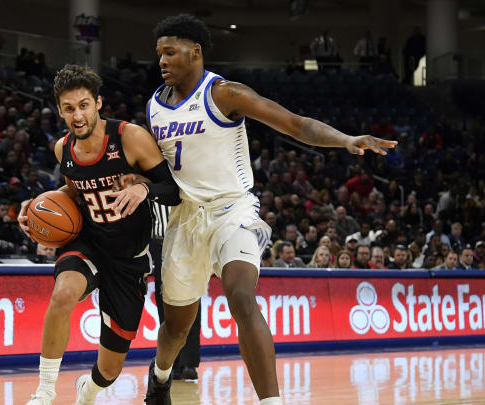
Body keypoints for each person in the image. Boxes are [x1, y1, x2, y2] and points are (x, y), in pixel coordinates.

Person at [145, 14, 396, 404]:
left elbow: (297, 126)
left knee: (241, 296)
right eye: (159, 53)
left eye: (170, 52)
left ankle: (271, 401)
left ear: (195, 52)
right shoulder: (154, 107)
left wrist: (345, 139)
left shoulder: (225, 94)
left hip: (234, 211)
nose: (161, 60)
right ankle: (159, 378)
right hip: (183, 219)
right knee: (176, 328)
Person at [18, 64, 180, 405]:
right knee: (63, 294)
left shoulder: (129, 137)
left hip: (129, 259)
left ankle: (87, 391)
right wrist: (36, 210)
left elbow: (173, 190)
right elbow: (73, 193)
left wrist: (142, 189)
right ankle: (45, 391)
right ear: (59, 111)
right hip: (89, 242)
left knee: (109, 370)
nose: (77, 115)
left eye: (83, 105)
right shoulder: (63, 149)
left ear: (98, 103)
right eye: (69, 108)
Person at [151, 201, 200, 381]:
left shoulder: (186, 176)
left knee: (192, 299)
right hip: (158, 241)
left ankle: (189, 363)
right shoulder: (148, 178)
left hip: (187, 240)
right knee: (163, 301)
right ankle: (171, 362)